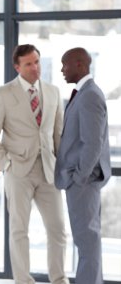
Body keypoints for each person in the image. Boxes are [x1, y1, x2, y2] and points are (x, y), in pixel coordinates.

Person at [0, 44, 69, 284]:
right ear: (17, 66)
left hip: (49, 171)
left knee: (58, 229)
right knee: (20, 230)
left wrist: (61, 164)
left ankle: (59, 278)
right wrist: (5, 163)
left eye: (37, 62)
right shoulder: (2, 94)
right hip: (18, 171)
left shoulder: (52, 92)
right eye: (29, 63)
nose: (35, 68)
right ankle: (23, 280)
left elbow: (57, 133)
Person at [55, 47, 111, 284]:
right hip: (81, 181)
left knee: (87, 241)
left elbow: (92, 144)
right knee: (87, 241)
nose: (62, 70)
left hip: (83, 182)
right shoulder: (84, 92)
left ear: (79, 65)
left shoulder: (89, 95)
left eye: (65, 65)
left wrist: (79, 177)